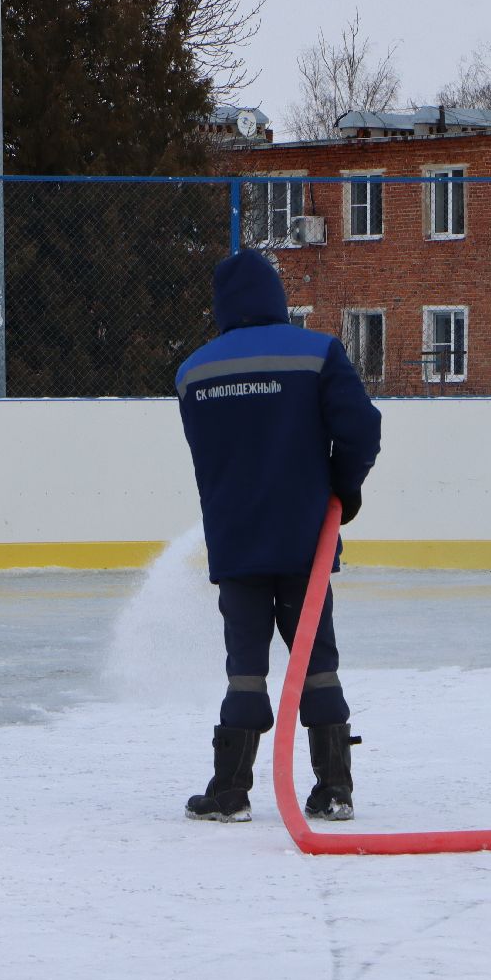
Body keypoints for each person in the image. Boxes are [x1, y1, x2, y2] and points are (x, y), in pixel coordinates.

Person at [174, 249, 382, 824]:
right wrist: (344, 488)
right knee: (317, 662)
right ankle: (334, 788)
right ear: (276, 297)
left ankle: (229, 791)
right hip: (304, 543)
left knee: (244, 667)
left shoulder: (193, 371)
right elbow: (362, 426)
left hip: (236, 544)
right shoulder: (317, 353)